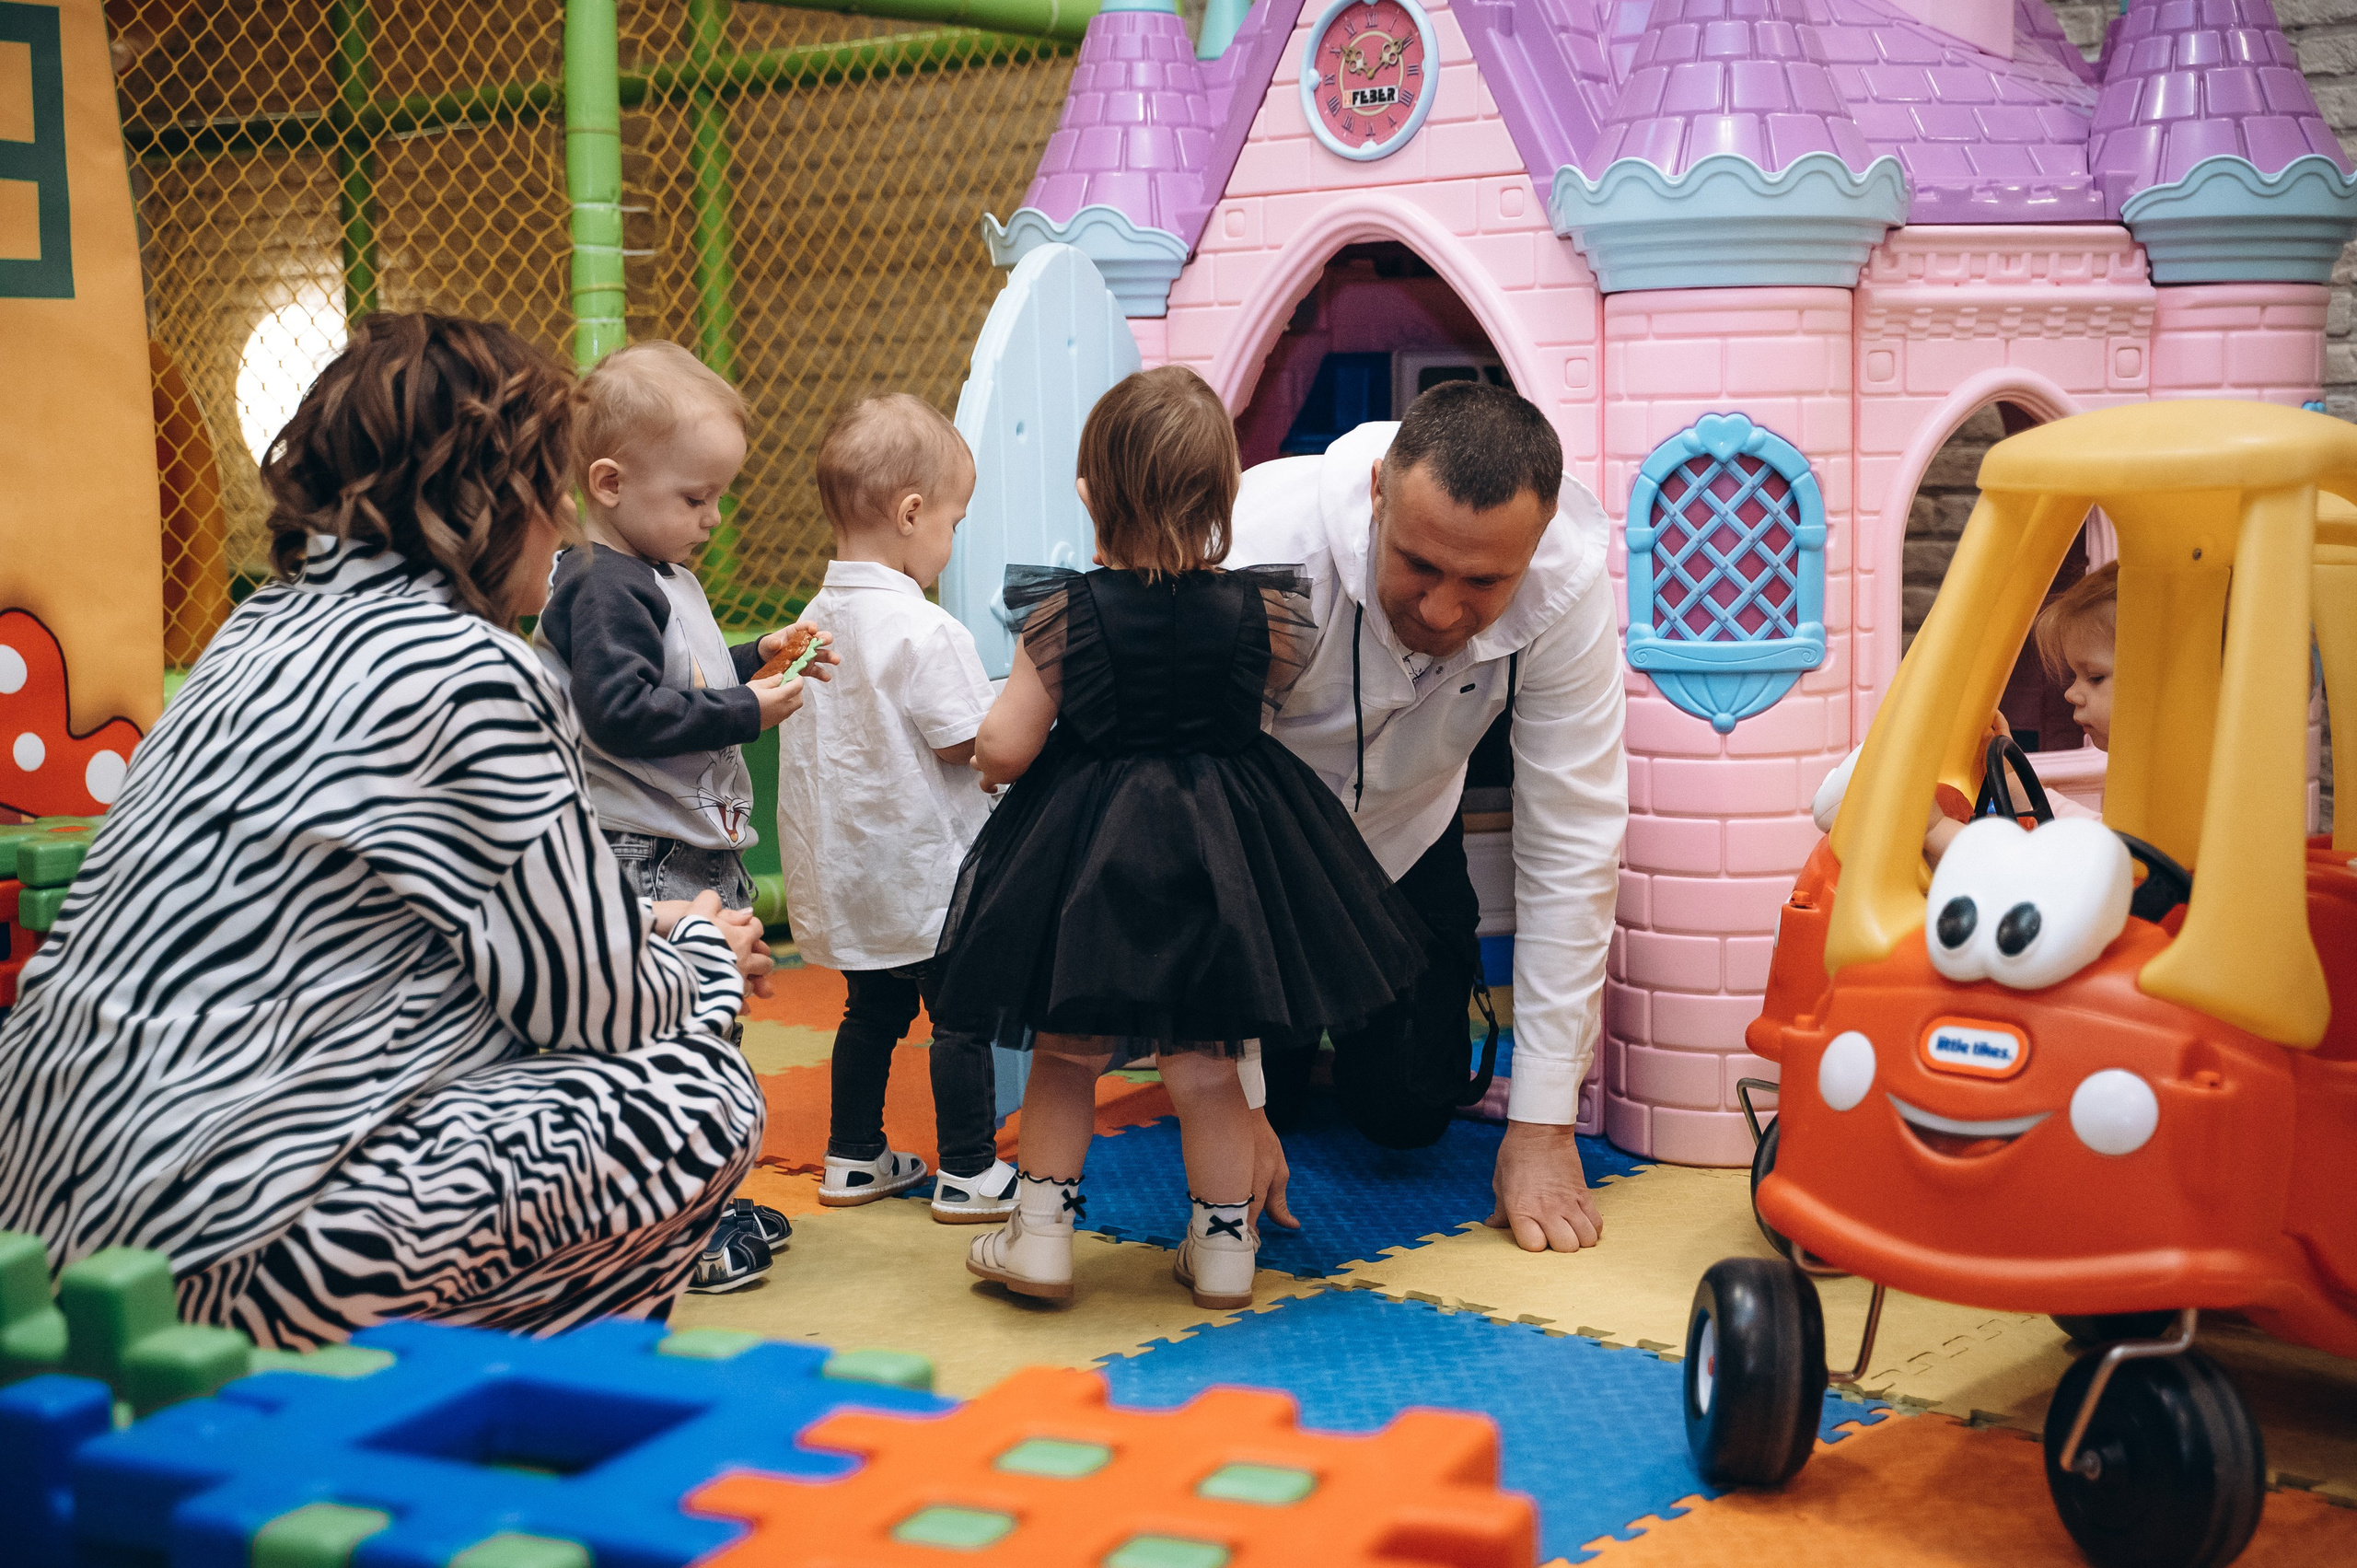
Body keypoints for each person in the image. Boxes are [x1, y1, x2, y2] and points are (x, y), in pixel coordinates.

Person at [0, 313, 773, 1345]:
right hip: (218, 1250)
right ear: (502, 504)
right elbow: (602, 1010)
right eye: (548, 492)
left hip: (47, 1209)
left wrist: (643, 927)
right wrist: (698, 953)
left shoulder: (253, 632)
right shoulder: (468, 673)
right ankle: (521, 1390)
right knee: (701, 1088)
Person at [935, 366, 1428, 1308]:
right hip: (1225, 852)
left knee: (1067, 1053)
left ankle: (1038, 1235)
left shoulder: (1065, 613)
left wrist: (985, 757)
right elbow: (1259, 706)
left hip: (1089, 859)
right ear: (1226, 496)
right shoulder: (1265, 613)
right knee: (1207, 1070)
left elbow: (1006, 741)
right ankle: (1225, 1246)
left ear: (1088, 495)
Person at [1224, 382, 1628, 1254]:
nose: (1444, 611)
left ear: (1537, 540)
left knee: (1409, 1110)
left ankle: (1340, 1045)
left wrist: (1545, 1128)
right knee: (1263, 1101)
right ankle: (1285, 1057)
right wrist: (1238, 1098)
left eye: (1484, 581)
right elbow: (1206, 817)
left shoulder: (1566, 590)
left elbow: (1574, 835)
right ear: (1377, 493)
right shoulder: (1260, 544)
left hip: (1408, 829)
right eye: (1418, 565)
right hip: (1259, 849)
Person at [531, 338, 812, 1291]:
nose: (713, 518)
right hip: (644, 860)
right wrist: (751, 711)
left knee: (708, 1030)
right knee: (673, 1042)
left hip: (681, 851)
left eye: (717, 495)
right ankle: (668, 1230)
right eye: (694, 498)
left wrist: (752, 655)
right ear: (608, 483)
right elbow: (623, 709)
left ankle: (707, 1200)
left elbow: (674, 676)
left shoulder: (652, 577)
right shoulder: (602, 583)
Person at [773, 395, 1016, 1224]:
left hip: (849, 872)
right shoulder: (922, 627)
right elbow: (964, 744)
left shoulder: (807, 624)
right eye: (952, 521)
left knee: (869, 1008)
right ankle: (970, 1170)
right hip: (927, 872)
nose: (951, 540)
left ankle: (852, 1154)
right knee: (961, 1018)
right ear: (912, 514)